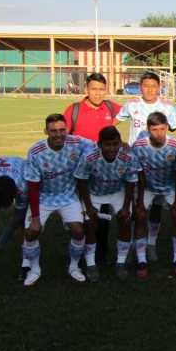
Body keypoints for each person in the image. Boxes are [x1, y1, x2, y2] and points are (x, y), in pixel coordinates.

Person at [114, 72, 176, 262]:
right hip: (137, 161)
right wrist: (118, 141)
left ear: (159, 87)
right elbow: (113, 122)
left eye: (154, 85)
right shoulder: (132, 104)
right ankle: (130, 247)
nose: (150, 89)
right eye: (146, 85)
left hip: (161, 164)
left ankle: (149, 245)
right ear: (140, 86)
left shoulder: (167, 107)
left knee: (155, 209)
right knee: (137, 206)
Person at [22, 114, 94, 286]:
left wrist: (121, 144)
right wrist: (36, 218)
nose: (58, 134)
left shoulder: (77, 142)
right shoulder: (35, 151)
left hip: (68, 196)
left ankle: (74, 266)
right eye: (53, 131)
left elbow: (99, 145)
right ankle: (34, 268)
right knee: (30, 232)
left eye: (62, 130)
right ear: (46, 131)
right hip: (43, 197)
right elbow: (33, 187)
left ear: (67, 129)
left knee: (78, 230)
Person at [63, 72, 122, 265]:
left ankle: (101, 253)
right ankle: (79, 253)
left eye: (101, 89)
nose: (98, 93)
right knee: (82, 213)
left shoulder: (111, 107)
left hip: (104, 171)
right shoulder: (74, 110)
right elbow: (63, 136)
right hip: (80, 171)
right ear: (86, 89)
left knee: (102, 214)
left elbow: (135, 113)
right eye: (94, 89)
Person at [75, 126, 139, 281]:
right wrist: (89, 206)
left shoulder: (129, 156)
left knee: (125, 221)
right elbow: (82, 181)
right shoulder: (89, 156)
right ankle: (90, 264)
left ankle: (120, 262)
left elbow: (131, 183)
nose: (112, 148)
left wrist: (125, 207)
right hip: (94, 193)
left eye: (115, 144)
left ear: (120, 142)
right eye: (107, 144)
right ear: (99, 144)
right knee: (90, 223)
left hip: (117, 192)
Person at [131, 113, 176, 279]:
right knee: (140, 217)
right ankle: (142, 260)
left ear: (167, 128)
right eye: (155, 130)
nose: (159, 133)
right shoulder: (138, 146)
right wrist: (139, 201)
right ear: (148, 130)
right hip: (147, 187)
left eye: (162, 129)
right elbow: (139, 175)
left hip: (170, 188)